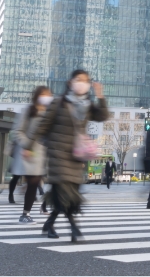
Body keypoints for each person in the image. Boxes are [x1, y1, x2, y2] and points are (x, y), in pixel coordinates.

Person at [26, 69, 109, 242]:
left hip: (76, 156)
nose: (82, 83)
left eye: (86, 80)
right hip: (57, 154)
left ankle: (49, 223)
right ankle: (74, 226)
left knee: (69, 193)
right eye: (78, 79)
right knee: (65, 192)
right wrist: (28, 146)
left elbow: (103, 116)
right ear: (70, 82)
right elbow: (42, 126)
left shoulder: (86, 105)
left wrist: (100, 96)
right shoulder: (58, 103)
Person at [9, 86, 52, 223]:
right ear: (37, 96)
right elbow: (18, 131)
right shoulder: (28, 110)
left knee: (44, 182)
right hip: (29, 152)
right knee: (34, 182)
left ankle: (40, 208)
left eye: (48, 94)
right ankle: (26, 214)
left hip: (45, 153)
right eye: (44, 94)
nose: (47, 97)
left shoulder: (50, 112)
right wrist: (26, 145)